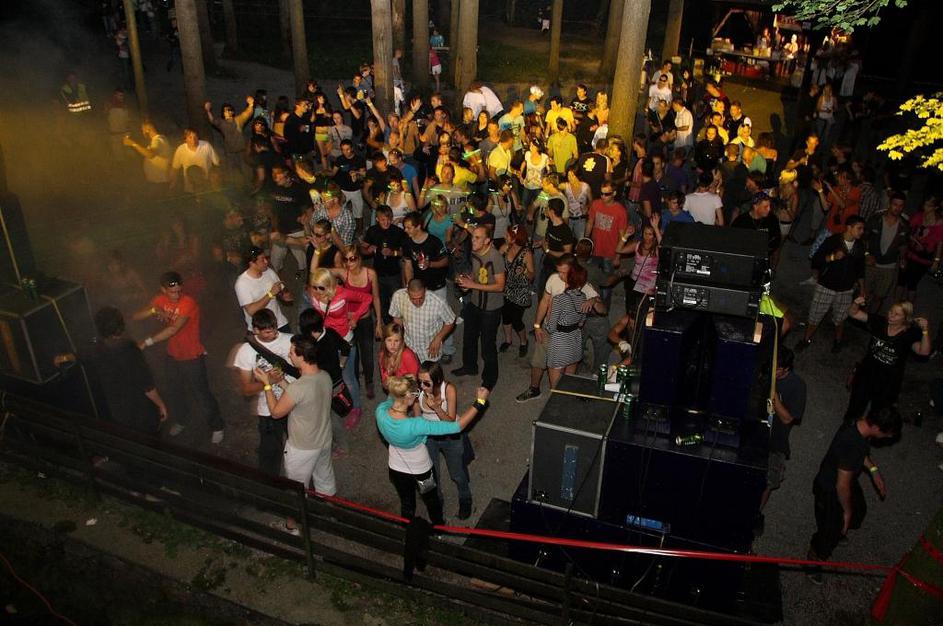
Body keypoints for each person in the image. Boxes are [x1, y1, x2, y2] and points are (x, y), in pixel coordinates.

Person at [375, 375, 489, 525]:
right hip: (422, 472)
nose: (418, 396)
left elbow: (391, 398)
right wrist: (480, 402)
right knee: (431, 499)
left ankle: (407, 527)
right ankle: (438, 526)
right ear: (408, 397)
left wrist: (403, 383)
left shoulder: (380, 411)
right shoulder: (416, 425)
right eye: (416, 394)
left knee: (407, 502)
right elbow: (457, 426)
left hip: (396, 470)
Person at [806, 407, 900, 584]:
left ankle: (839, 531)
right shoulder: (852, 444)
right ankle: (813, 560)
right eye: (886, 434)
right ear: (876, 427)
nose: (887, 437)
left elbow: (861, 454)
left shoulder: (858, 425)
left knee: (859, 511)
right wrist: (846, 512)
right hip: (830, 489)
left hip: (844, 480)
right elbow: (842, 486)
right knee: (829, 533)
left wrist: (873, 470)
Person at [255, 334, 336, 534]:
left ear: (302, 357)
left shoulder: (300, 387)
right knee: (324, 479)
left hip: (303, 447)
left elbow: (276, 412)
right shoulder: (324, 377)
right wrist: (282, 381)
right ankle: (330, 514)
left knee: (295, 489)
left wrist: (267, 384)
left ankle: (292, 527)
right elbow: (302, 397)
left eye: (292, 352)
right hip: (324, 440)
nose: (289, 355)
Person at [133, 271, 224, 444]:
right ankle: (181, 420)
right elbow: (136, 316)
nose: (176, 295)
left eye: (178, 290)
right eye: (172, 292)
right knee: (174, 391)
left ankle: (217, 425)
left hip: (192, 356)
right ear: (163, 289)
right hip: (173, 355)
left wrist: (147, 342)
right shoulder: (160, 300)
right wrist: (154, 310)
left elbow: (173, 329)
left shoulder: (188, 302)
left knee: (201, 393)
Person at [54, 306, 167, 435]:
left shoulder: (96, 348)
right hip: (140, 409)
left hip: (118, 410)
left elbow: (79, 355)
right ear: (120, 326)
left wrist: (63, 358)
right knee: (149, 438)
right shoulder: (129, 348)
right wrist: (160, 404)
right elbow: (147, 385)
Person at [516, 255, 604, 403]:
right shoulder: (553, 278)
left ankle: (564, 396)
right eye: (559, 271)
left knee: (567, 366)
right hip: (549, 330)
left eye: (564, 272)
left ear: (573, 270)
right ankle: (534, 389)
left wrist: (593, 299)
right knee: (538, 361)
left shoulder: (584, 285)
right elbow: (544, 301)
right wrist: (537, 325)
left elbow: (603, 310)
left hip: (568, 334)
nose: (560, 275)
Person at [844, 299, 931, 422]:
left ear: (906, 318)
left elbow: (924, 351)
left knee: (878, 415)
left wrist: (925, 331)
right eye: (891, 311)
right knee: (854, 408)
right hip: (867, 373)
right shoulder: (880, 322)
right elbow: (853, 313)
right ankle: (847, 427)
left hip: (888, 382)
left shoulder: (910, 334)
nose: (891, 316)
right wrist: (856, 303)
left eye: (897, 314)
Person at [232, 309, 294, 477]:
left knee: (300, 448)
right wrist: (269, 381)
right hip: (268, 409)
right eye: (267, 332)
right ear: (256, 330)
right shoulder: (246, 351)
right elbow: (246, 389)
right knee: (270, 453)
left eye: (274, 329)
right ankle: (269, 486)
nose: (273, 334)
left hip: (293, 403)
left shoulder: (290, 341)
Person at [797, 215, 867, 353]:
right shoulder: (832, 241)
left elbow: (860, 270)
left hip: (846, 290)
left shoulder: (859, 246)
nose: (862, 232)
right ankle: (806, 339)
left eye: (863, 229)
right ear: (849, 227)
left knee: (840, 318)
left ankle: (838, 341)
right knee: (815, 315)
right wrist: (832, 257)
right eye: (859, 228)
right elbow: (815, 260)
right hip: (826, 286)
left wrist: (862, 288)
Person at [757, 347, 806, 532]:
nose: (773, 372)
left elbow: (787, 419)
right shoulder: (765, 373)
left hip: (776, 440)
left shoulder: (797, 386)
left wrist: (775, 397)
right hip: (756, 430)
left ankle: (756, 513)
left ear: (786, 368)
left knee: (769, 481)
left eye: (777, 369)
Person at [417, 361, 475, 520]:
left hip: (450, 437)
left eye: (426, 383)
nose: (422, 386)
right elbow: (417, 416)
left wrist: (436, 408)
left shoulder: (448, 389)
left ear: (437, 380)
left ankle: (465, 498)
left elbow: (451, 422)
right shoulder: (419, 390)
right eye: (419, 381)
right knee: (432, 473)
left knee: (457, 473)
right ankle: (437, 501)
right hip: (429, 438)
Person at [453, 226, 506, 390]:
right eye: (473, 237)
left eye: (477, 238)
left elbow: (500, 286)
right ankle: (470, 366)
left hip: (491, 308)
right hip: (475, 303)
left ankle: (490, 379)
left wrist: (472, 285)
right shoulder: (475, 252)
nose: (473, 240)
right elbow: (479, 274)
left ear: (487, 240)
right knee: (469, 337)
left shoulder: (495, 257)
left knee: (487, 345)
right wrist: (467, 281)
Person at [329, 245, 382, 400]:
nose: (349, 263)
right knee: (353, 352)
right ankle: (355, 382)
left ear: (359, 258)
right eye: (346, 259)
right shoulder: (343, 272)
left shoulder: (370, 274)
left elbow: (376, 298)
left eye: (352, 259)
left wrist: (379, 322)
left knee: (367, 352)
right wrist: (319, 250)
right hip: (347, 321)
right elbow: (318, 272)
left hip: (364, 319)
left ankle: (369, 381)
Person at [390, 278, 456, 366]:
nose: (417, 302)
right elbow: (397, 317)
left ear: (425, 290)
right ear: (407, 292)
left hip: (429, 349)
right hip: (409, 346)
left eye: (421, 298)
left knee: (430, 373)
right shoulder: (398, 296)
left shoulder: (438, 302)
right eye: (413, 299)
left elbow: (451, 320)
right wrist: (399, 339)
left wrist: (438, 338)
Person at [863, 193, 910, 314]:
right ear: (889, 203)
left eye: (900, 206)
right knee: (864, 293)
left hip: (889, 266)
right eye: (895, 204)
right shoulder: (876, 218)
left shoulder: (904, 225)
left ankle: (871, 318)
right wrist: (867, 254)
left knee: (879, 296)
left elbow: (903, 244)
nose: (897, 208)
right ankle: (858, 316)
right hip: (871, 263)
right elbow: (864, 238)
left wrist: (903, 258)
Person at [545, 263, 588, 388]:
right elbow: (581, 322)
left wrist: (549, 313)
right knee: (569, 385)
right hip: (575, 341)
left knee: (556, 388)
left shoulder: (559, 299)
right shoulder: (583, 297)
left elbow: (551, 328)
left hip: (560, 344)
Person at [362, 205, 407, 323]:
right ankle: (386, 324)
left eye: (388, 219)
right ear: (377, 219)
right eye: (383, 219)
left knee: (398, 302)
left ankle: (399, 325)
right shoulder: (372, 231)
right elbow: (362, 249)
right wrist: (368, 250)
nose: (386, 222)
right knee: (381, 302)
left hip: (394, 273)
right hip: (378, 274)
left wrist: (393, 253)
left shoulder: (398, 232)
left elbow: (406, 252)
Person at [234, 246, 292, 332]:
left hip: (279, 322)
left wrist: (285, 295)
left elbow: (282, 290)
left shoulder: (269, 272)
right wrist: (270, 294)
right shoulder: (242, 283)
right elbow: (251, 310)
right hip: (261, 329)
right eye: (262, 260)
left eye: (266, 258)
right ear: (252, 263)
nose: (266, 261)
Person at [898, 195, 943, 303]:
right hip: (910, 253)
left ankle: (908, 308)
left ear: (935, 207)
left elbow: (940, 244)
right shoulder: (919, 216)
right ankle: (896, 306)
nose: (925, 207)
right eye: (925, 204)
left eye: (928, 205)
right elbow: (908, 230)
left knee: (912, 283)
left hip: (923, 258)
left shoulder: (940, 223)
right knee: (901, 280)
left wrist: (936, 261)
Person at [499, 224, 535, 357]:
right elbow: (496, 261)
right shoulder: (505, 247)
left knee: (516, 320)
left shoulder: (526, 254)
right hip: (507, 288)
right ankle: (508, 340)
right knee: (506, 317)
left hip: (521, 291)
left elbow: (532, 275)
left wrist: (525, 271)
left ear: (514, 238)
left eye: (507, 235)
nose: (505, 236)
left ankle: (524, 342)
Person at [616, 218, 661, 317]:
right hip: (634, 283)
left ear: (654, 236)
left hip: (648, 288)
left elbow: (664, 248)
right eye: (645, 233)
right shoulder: (637, 245)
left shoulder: (657, 249)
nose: (647, 236)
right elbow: (619, 250)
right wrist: (625, 236)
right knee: (630, 314)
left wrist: (656, 228)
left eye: (650, 234)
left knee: (645, 315)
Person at [732, 192, 783, 267]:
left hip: (763, 256)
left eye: (769, 206)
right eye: (765, 207)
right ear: (755, 206)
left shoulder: (772, 219)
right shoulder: (741, 221)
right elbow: (733, 239)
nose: (769, 209)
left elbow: (776, 237)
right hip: (746, 258)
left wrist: (767, 251)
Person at [169, 128, 219, 192]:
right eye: (190, 137)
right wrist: (172, 184)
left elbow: (217, 163)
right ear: (185, 139)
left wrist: (215, 181)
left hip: (206, 186)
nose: (193, 140)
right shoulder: (180, 149)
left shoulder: (206, 145)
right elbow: (175, 168)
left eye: (195, 137)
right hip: (190, 188)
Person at [378, 322, 421, 390]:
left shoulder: (407, 355)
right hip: (394, 390)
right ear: (384, 341)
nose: (392, 345)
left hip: (409, 390)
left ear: (401, 342)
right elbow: (384, 383)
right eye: (389, 340)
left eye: (396, 341)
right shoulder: (382, 355)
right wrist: (387, 379)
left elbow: (416, 379)